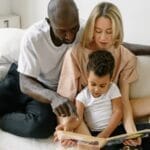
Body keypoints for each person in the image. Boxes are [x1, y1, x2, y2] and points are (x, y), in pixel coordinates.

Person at [57, 2, 150, 149]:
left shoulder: (126, 57)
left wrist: (132, 133)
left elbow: (124, 102)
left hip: (112, 108)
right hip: (82, 113)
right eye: (98, 31)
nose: (103, 38)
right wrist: (68, 129)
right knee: (88, 146)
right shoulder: (75, 54)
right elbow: (66, 101)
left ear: (117, 30)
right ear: (91, 29)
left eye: (109, 31)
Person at [0, 0, 81, 138]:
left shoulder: (84, 29)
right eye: (62, 31)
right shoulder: (34, 36)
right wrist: (54, 97)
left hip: (43, 94)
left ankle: (3, 119)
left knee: (42, 126)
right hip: (23, 81)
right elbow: (24, 84)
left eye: (74, 28)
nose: (70, 36)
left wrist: (132, 49)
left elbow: (113, 42)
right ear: (49, 23)